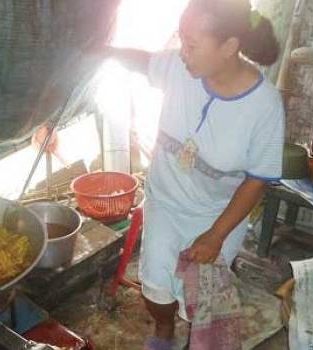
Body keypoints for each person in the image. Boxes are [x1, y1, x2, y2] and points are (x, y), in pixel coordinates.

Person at [96, 0, 284, 348]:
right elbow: (145, 61)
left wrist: (215, 235)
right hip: (166, 200)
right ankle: (163, 332)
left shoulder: (265, 106)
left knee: (201, 296)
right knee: (155, 280)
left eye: (192, 44)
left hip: (218, 213)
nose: (183, 52)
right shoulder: (181, 69)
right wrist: (103, 51)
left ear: (229, 47)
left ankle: (194, 336)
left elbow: (256, 180)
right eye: (182, 40)